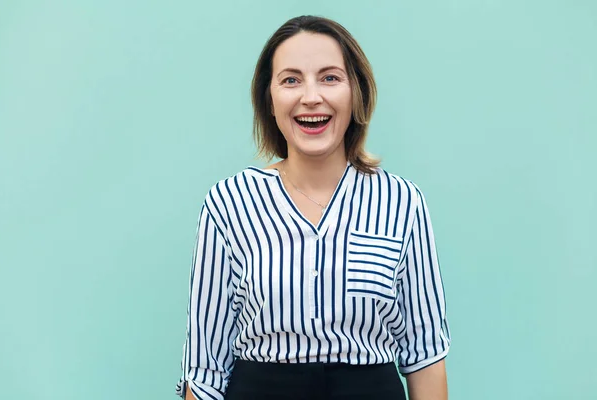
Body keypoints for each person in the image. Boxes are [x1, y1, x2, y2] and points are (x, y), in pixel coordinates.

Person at [176, 15, 451, 400]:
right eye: (290, 80)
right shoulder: (229, 204)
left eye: (330, 78)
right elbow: (205, 370)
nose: (311, 97)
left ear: (355, 93)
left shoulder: (402, 203)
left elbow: (425, 357)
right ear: (269, 100)